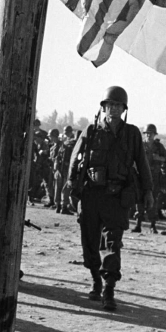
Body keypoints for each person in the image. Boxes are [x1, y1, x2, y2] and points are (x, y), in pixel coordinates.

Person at [65, 86, 152, 312]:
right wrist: (71, 184)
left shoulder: (132, 134)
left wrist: (148, 191)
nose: (113, 109)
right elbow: (75, 158)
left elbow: (142, 164)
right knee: (90, 242)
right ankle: (95, 278)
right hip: (91, 194)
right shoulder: (92, 130)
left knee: (112, 243)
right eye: (109, 105)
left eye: (118, 105)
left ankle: (109, 288)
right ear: (103, 107)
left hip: (117, 196)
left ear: (124, 109)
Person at [132, 125, 166, 234]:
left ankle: (153, 225)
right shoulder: (140, 145)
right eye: (147, 133)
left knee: (153, 200)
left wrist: (159, 158)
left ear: (154, 134)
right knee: (139, 200)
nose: (149, 135)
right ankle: (138, 224)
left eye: (151, 133)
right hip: (141, 176)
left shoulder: (159, 146)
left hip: (154, 177)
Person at [52, 125, 76, 215]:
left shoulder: (66, 142)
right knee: (63, 188)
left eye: (67, 132)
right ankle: (62, 207)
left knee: (60, 187)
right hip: (63, 168)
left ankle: (60, 206)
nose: (66, 134)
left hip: (63, 167)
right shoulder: (69, 142)